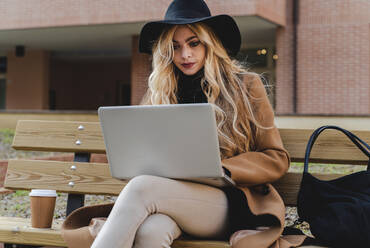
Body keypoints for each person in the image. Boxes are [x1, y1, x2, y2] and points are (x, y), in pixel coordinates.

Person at [62, 0, 306, 247]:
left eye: (193, 43)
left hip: (230, 203)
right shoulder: (160, 92)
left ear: (209, 43)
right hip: (170, 199)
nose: (184, 54)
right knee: (151, 231)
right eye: (175, 46)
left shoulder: (246, 86)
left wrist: (225, 170)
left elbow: (276, 156)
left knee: (141, 188)